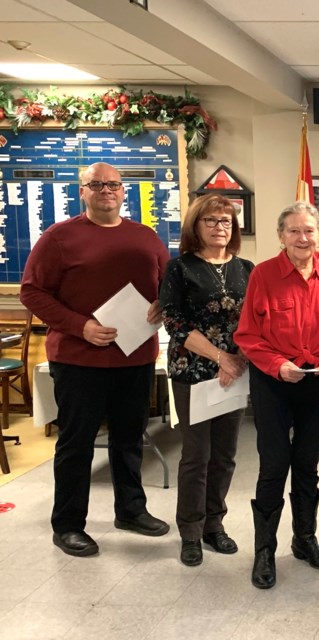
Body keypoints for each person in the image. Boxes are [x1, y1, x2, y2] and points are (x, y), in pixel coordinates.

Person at [20, 161, 170, 557]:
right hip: (79, 359)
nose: (107, 191)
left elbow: (168, 286)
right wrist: (79, 326)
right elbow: (32, 293)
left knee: (129, 439)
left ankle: (131, 511)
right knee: (77, 443)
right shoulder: (59, 238)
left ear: (124, 192)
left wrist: (163, 305)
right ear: (82, 191)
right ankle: (68, 524)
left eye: (114, 185)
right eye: (97, 184)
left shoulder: (146, 237)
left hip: (135, 356)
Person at [234, 201, 319, 589]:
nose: (303, 238)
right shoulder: (263, 276)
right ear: (281, 236)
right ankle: (264, 550)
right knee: (273, 466)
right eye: (294, 231)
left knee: (307, 465)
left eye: (310, 231)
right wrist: (276, 364)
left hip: (318, 385)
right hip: (274, 385)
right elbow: (247, 335)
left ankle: (305, 540)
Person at [159, 194, 254, 567]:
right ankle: (191, 532)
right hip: (193, 374)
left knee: (226, 456)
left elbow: (256, 320)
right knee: (196, 455)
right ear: (195, 226)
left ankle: (215, 524)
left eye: (227, 222)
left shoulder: (247, 267)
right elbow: (175, 322)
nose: (220, 227)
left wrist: (238, 361)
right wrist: (220, 358)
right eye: (212, 221)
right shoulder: (179, 268)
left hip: (235, 373)